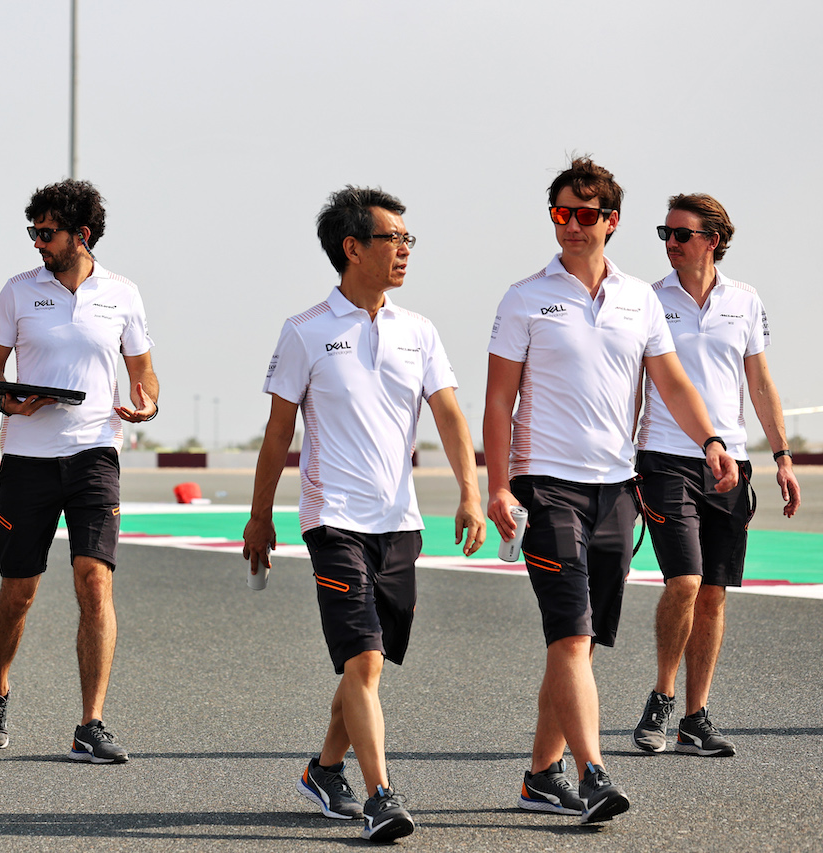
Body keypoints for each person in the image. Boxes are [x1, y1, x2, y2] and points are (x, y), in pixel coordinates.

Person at [483, 158, 738, 823]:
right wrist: (498, 483)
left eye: (585, 214)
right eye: (560, 213)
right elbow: (498, 397)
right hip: (546, 486)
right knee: (569, 636)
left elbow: (673, 382)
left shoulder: (639, 299)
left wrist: (711, 438)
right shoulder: (523, 297)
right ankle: (593, 771)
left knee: (582, 641)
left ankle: (541, 774)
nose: (571, 225)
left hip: (616, 489)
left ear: (611, 221)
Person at [243, 186, 487, 844]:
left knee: (369, 665)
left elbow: (450, 415)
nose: (405, 250)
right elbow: (277, 433)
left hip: (399, 522)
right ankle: (381, 793)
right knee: (364, 661)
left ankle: (325, 768)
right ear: (353, 249)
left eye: (409, 239)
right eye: (393, 239)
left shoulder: (420, 331)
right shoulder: (305, 331)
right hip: (333, 520)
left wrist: (470, 489)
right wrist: (260, 514)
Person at [0, 179, 158, 764]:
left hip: (95, 454)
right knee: (19, 593)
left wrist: (147, 403)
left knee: (94, 581)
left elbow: (146, 376)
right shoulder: (17, 291)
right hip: (27, 457)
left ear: (81, 235)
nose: (37, 242)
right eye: (32, 231)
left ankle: (91, 723)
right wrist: (9, 400)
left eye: (45, 232)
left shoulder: (124, 294)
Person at [631, 194, 801, 757]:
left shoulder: (745, 300)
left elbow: (760, 384)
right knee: (682, 581)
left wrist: (780, 456)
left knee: (713, 594)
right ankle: (662, 698)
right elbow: (631, 385)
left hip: (730, 464)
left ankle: (695, 717)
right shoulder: (648, 301)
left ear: (713, 239)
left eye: (680, 234)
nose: (669, 243)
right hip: (663, 458)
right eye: (665, 233)